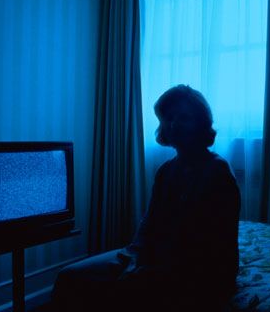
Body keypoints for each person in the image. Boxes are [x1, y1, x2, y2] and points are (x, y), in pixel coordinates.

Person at [52, 85, 241, 311]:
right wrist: (134, 257)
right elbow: (149, 222)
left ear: (201, 124)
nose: (174, 124)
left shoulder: (217, 171)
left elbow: (209, 243)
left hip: (199, 270)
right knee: (69, 277)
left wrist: (152, 268)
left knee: (127, 290)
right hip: (152, 256)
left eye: (183, 117)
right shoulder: (166, 170)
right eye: (169, 118)